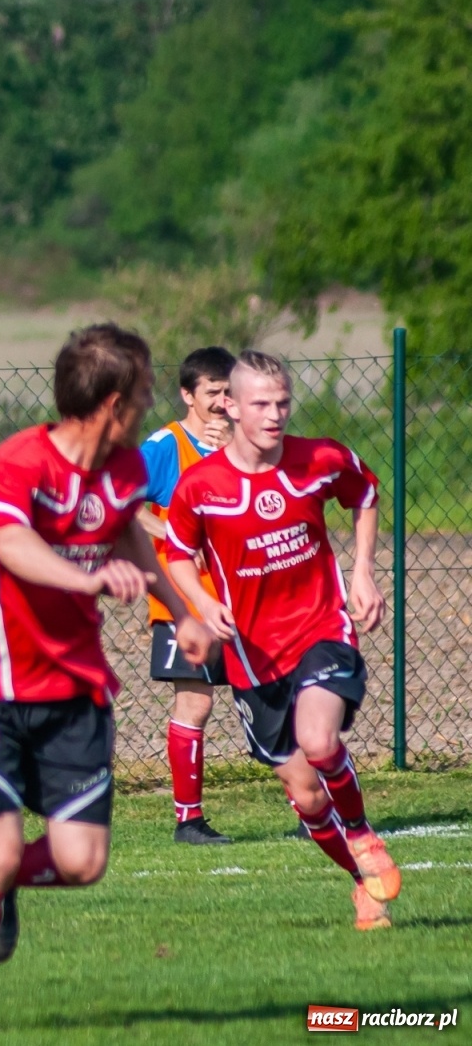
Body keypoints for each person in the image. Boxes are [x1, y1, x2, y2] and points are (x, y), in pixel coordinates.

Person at [0, 324, 212, 1032]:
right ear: (114, 401)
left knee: (83, 861)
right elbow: (11, 543)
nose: (152, 400)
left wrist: (182, 610)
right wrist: (82, 582)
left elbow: (126, 533)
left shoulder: (122, 471)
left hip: (73, 689)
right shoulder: (21, 460)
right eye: (146, 389)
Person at [164, 351, 400, 931]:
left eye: (283, 403)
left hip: (321, 629)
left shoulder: (319, 458)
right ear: (232, 407)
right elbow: (174, 553)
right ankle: (361, 883)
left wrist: (363, 570)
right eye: (261, 404)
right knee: (308, 797)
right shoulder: (202, 487)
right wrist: (203, 603)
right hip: (252, 658)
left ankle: (365, 834)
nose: (274, 415)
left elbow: (365, 495)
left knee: (318, 739)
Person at [136, 346, 238, 844]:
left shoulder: (247, 443)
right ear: (187, 395)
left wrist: (232, 454)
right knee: (195, 704)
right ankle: (188, 821)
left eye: (228, 392)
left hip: (248, 594)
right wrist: (177, 540)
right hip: (185, 601)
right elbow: (122, 503)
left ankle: (310, 809)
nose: (222, 402)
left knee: (276, 697)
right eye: (212, 393)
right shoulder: (163, 446)